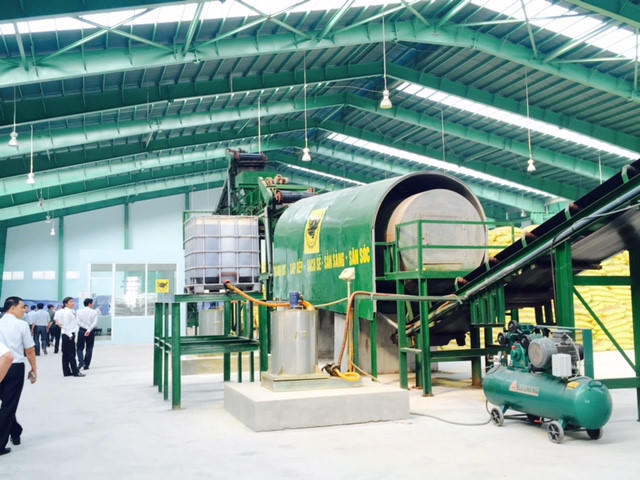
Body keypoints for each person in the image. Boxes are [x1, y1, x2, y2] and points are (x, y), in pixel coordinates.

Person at [0, 296, 37, 456]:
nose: (24, 310)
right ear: (12, 308)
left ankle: (15, 431)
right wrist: (34, 369)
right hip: (14, 367)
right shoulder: (21, 325)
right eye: (22, 307)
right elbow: (30, 350)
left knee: (7, 404)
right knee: (9, 405)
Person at [56, 297, 84, 377]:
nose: (73, 303)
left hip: (66, 334)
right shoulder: (67, 312)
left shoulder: (69, 311)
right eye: (71, 301)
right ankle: (76, 372)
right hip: (68, 334)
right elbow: (64, 324)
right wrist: (70, 334)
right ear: (66, 304)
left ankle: (67, 372)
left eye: (73, 301)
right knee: (72, 354)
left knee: (66, 354)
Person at [76, 298, 98, 370]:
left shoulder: (79, 311)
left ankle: (81, 362)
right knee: (89, 348)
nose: (93, 304)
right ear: (89, 304)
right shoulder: (94, 312)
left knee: (79, 348)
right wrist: (88, 329)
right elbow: (95, 322)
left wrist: (85, 329)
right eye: (92, 303)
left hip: (82, 331)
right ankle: (86, 365)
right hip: (91, 331)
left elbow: (78, 322)